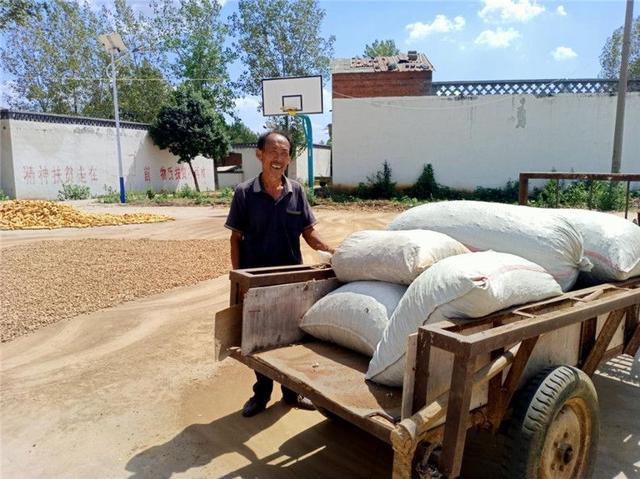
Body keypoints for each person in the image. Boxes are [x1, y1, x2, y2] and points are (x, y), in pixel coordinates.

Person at [225, 130, 334, 417]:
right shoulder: (244, 193)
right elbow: (236, 238)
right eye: (273, 151)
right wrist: (239, 279)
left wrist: (333, 252)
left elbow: (309, 233)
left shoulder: (296, 191)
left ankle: (291, 393)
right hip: (257, 282)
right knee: (259, 342)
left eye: (284, 152)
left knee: (290, 339)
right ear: (259, 154)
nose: (279, 158)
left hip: (291, 280)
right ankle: (261, 395)